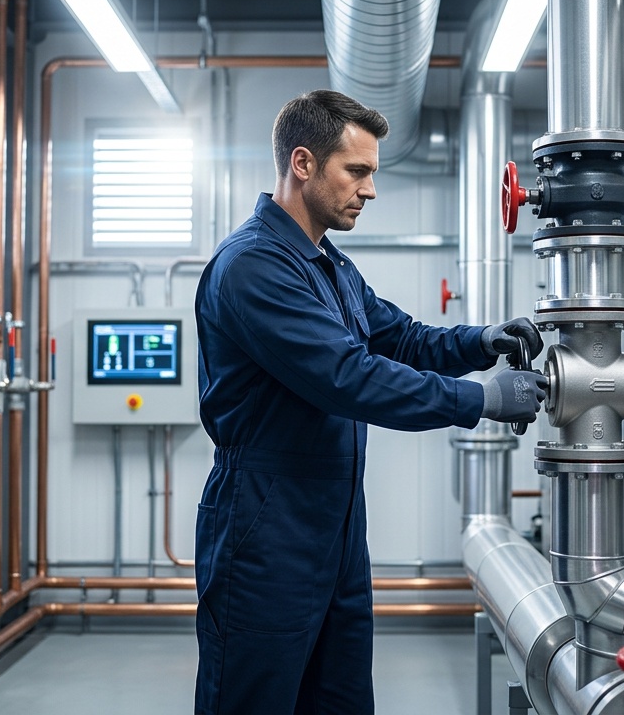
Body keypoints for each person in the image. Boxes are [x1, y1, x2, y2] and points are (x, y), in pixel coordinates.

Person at [193, 89, 547, 714]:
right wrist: (480, 400)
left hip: (334, 527)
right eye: (356, 171)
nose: (370, 189)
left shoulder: (329, 265)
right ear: (303, 164)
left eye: (372, 173)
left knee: (341, 699)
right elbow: (349, 377)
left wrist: (482, 341)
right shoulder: (253, 267)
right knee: (254, 701)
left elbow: (400, 337)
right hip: (264, 527)